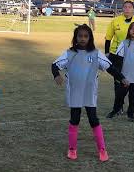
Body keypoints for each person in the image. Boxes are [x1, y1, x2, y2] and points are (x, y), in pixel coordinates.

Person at [51, 24, 129, 162]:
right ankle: (72, 149)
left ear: (90, 38)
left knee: (93, 120)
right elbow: (55, 65)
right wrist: (56, 75)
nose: (82, 38)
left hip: (89, 93)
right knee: (74, 119)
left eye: (85, 36)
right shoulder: (69, 53)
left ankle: (102, 149)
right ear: (75, 38)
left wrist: (121, 77)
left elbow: (110, 67)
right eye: (79, 36)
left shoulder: (96, 53)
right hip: (74, 92)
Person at [104, 1, 134, 115]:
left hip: (131, 56)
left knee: (130, 81)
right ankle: (119, 107)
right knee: (118, 81)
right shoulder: (115, 21)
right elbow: (108, 38)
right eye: (125, 7)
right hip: (116, 55)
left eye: (130, 7)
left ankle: (129, 109)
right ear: (122, 9)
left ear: (133, 9)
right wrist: (107, 53)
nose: (127, 9)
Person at [106, 22, 134, 121]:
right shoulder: (124, 43)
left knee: (133, 96)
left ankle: (131, 114)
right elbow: (119, 61)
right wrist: (119, 76)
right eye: (132, 29)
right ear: (129, 31)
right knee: (120, 95)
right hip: (125, 76)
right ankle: (115, 110)